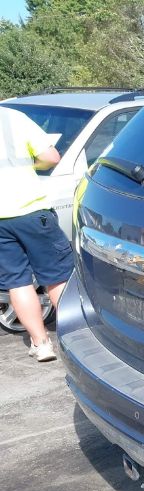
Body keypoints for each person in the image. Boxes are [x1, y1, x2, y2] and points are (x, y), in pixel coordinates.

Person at [0, 106, 73, 362]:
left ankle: (41, 344)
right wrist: (32, 165)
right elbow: (51, 158)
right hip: (31, 210)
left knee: (16, 282)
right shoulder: (11, 117)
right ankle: (74, 339)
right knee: (57, 275)